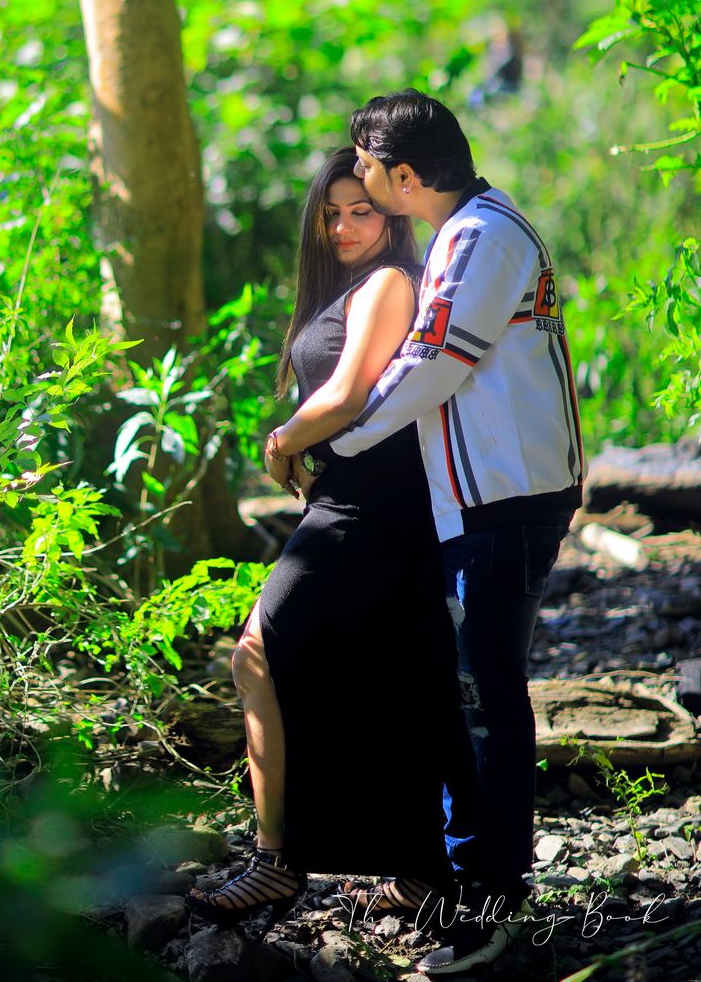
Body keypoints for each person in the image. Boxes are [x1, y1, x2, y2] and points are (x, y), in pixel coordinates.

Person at [270, 90, 584, 976]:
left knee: (489, 703)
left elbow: (437, 361)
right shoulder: (469, 231)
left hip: (504, 503)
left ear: (405, 177)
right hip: (484, 499)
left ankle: (494, 902)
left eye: (367, 166)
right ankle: (454, 872)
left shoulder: (483, 236)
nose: (358, 178)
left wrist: (335, 440)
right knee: (464, 692)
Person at [186, 148, 467, 933]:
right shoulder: (345, 286)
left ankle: (276, 862)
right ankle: (418, 870)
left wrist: (282, 442)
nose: (344, 225)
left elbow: (345, 394)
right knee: (390, 677)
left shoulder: (386, 283)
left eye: (362, 210)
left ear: (390, 212)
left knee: (256, 655)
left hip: (371, 509)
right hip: (352, 501)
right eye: (333, 212)